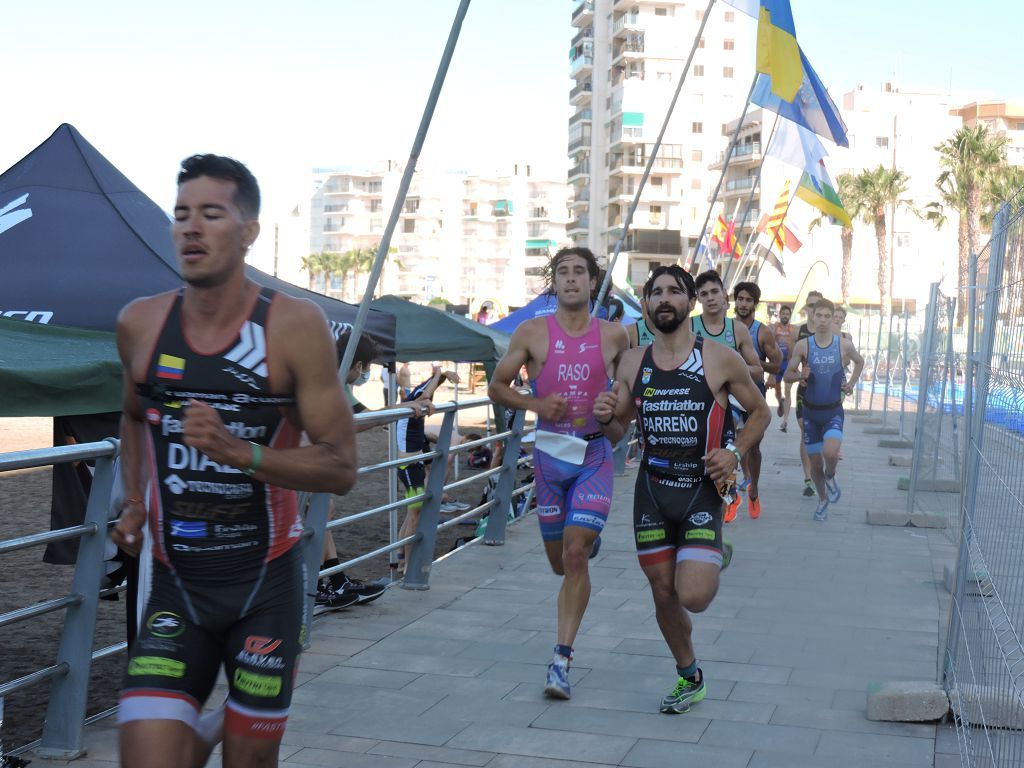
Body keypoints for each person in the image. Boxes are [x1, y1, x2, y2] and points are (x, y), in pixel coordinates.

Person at [111, 154, 358, 768]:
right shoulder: (140, 323)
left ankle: (229, 725)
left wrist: (238, 452)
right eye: (181, 215)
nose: (190, 228)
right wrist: (134, 500)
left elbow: (341, 467)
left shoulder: (292, 326)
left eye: (211, 214)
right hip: (176, 586)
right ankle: (212, 726)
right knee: (147, 757)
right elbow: (133, 417)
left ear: (247, 230)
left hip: (265, 585)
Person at [593, 265, 769, 714]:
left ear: (690, 303)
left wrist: (733, 451)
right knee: (663, 593)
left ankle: (712, 551)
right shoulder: (633, 362)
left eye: (675, 291)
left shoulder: (718, 358)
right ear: (648, 305)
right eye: (656, 292)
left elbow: (760, 414)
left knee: (693, 595)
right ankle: (689, 675)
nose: (665, 298)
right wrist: (604, 415)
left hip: (701, 491)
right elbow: (618, 432)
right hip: (651, 493)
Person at [488, 246, 628, 700]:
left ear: (593, 283)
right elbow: (496, 385)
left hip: (592, 456)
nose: (570, 279)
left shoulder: (614, 337)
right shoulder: (531, 333)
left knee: (573, 557)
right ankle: (584, 536)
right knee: (557, 563)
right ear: (555, 283)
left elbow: (628, 398)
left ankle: (561, 661)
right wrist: (535, 405)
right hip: (549, 459)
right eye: (562, 272)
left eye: (579, 273)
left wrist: (614, 409)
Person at [314, 330, 430, 609]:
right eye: (366, 369)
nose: (365, 375)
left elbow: (363, 416)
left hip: (312, 456)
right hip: (303, 457)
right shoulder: (333, 378)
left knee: (322, 511)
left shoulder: (333, 375)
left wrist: (401, 407)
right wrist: (403, 408)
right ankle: (319, 584)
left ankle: (333, 580)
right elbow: (361, 420)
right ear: (358, 366)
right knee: (318, 514)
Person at [690, 270, 764, 522]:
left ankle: (728, 501)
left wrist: (732, 370)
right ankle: (729, 495)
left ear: (724, 295)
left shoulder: (738, 330)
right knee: (705, 462)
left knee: (723, 452)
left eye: (714, 292)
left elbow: (756, 369)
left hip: (729, 405)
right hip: (694, 406)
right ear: (698, 299)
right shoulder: (688, 327)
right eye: (704, 294)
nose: (710, 298)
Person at [785, 299, 864, 521]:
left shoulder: (843, 345)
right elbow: (787, 375)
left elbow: (860, 362)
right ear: (812, 316)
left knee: (829, 453)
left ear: (833, 318)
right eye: (818, 315)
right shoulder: (804, 346)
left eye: (826, 316)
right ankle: (822, 500)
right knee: (815, 465)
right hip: (810, 413)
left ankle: (831, 476)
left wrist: (851, 384)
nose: (822, 320)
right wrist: (801, 375)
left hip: (833, 412)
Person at [732, 282, 782, 520]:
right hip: (728, 394)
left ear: (755, 304)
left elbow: (777, 363)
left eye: (748, 300)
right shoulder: (724, 327)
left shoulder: (762, 332)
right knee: (725, 446)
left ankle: (754, 489)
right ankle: (729, 496)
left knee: (753, 447)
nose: (743, 304)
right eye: (740, 299)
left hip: (754, 395)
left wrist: (754, 364)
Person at [795, 290, 823, 497]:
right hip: (805, 388)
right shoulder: (799, 331)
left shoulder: (832, 331)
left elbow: (846, 358)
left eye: (817, 305)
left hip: (826, 391)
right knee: (806, 433)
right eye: (810, 305)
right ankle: (808, 479)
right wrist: (798, 376)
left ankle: (819, 471)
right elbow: (790, 365)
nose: (813, 309)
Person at [770, 304, 795, 431]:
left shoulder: (794, 329)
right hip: (778, 362)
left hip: (789, 363)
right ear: (780, 315)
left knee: (788, 391)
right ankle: (780, 402)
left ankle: (785, 421)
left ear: (790, 316)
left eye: (787, 314)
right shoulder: (775, 328)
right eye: (783, 314)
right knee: (777, 389)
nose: (785, 316)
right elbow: (770, 343)